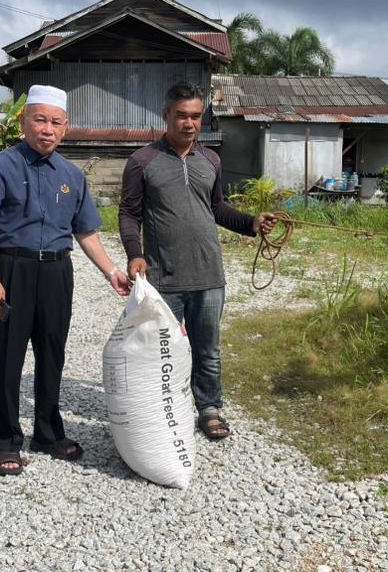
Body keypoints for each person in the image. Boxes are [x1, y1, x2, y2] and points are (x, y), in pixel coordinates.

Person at [0, 85, 130, 476]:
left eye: (55, 122)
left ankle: (47, 432)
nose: (47, 129)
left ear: (65, 127)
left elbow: (86, 232)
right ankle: (6, 442)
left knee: (52, 352)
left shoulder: (72, 175)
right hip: (12, 269)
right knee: (7, 357)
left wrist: (112, 271)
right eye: (39, 119)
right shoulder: (0, 166)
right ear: (24, 122)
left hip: (58, 271)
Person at [119, 81, 278, 441]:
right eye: (181, 116)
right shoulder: (142, 161)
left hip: (209, 277)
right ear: (166, 116)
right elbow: (129, 214)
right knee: (162, 352)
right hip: (163, 279)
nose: (189, 123)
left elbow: (217, 207)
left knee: (208, 350)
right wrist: (135, 254)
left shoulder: (212, 160)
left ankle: (209, 408)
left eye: (195, 116)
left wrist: (251, 223)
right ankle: (164, 409)